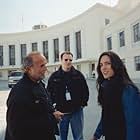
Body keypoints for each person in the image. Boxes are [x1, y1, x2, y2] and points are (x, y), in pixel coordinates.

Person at [5, 52, 64, 140]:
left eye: (45, 65)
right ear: (29, 69)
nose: (45, 69)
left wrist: (53, 112)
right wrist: (52, 118)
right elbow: (16, 129)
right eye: (41, 66)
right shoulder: (19, 92)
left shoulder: (39, 83)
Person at [91, 51, 140, 140]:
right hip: (110, 135)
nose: (103, 68)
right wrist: (96, 135)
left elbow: (133, 123)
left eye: (107, 64)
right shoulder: (105, 87)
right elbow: (106, 115)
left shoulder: (128, 89)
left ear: (116, 65)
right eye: (101, 65)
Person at [47, 51, 89, 140]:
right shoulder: (54, 77)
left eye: (70, 60)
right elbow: (48, 93)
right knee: (62, 137)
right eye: (66, 60)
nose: (68, 62)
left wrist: (82, 103)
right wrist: (53, 108)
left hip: (76, 112)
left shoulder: (78, 75)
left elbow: (85, 90)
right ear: (61, 60)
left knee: (78, 137)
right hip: (61, 113)